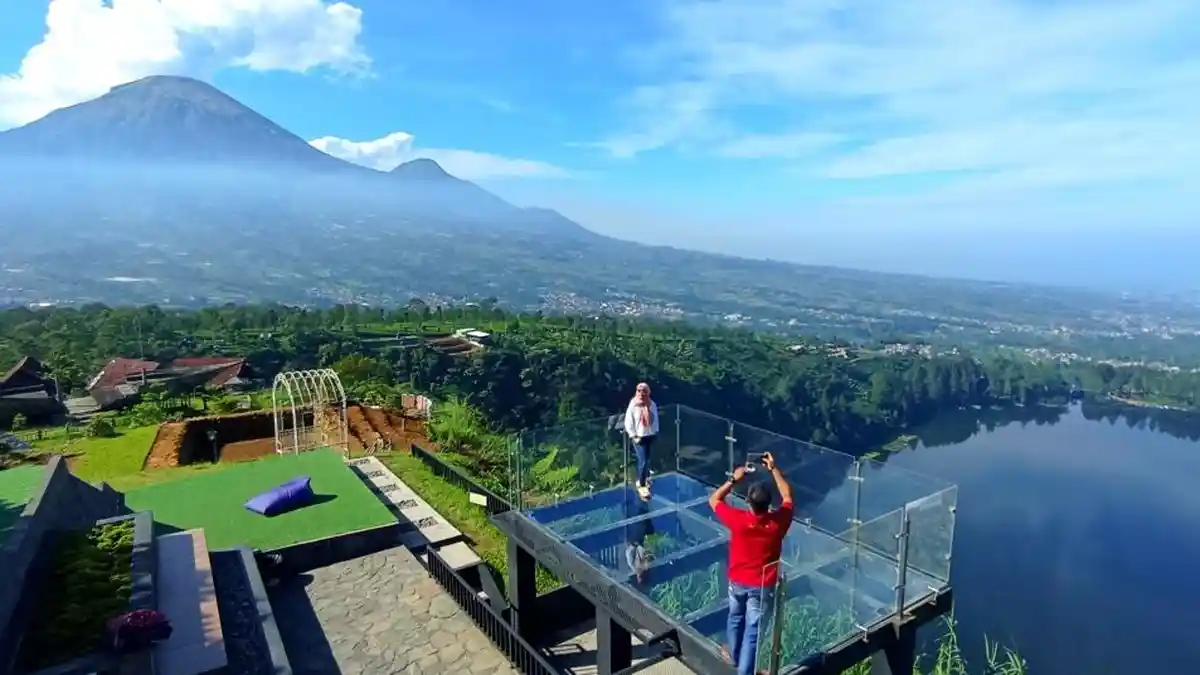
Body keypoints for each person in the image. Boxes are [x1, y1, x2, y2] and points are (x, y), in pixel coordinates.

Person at [709, 452, 794, 675]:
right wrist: (774, 468)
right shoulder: (778, 523)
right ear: (769, 504)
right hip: (762, 585)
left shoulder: (739, 519)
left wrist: (735, 479)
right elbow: (787, 495)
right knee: (753, 632)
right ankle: (744, 671)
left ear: (748, 503)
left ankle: (734, 656)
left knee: (735, 617)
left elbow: (714, 500)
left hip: (737, 580)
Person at [623, 382, 659, 499]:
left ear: (648, 392)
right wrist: (633, 436)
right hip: (638, 437)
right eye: (638, 390)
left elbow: (655, 419)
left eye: (643, 391)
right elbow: (629, 422)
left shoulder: (651, 404)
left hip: (649, 435)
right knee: (643, 461)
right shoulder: (633, 405)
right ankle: (642, 485)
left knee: (646, 460)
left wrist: (655, 432)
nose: (641, 393)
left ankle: (643, 479)